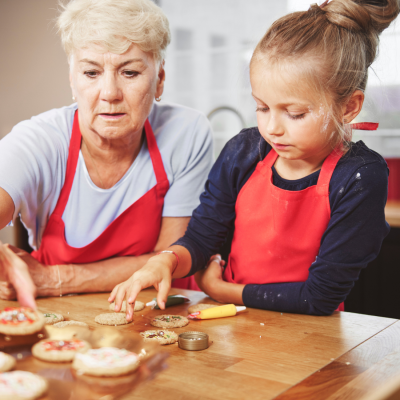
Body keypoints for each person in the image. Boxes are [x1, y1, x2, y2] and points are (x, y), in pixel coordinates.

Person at [110, 0, 399, 320]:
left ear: (348, 107)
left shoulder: (359, 178)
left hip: (307, 332)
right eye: (262, 107)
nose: (272, 128)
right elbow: (202, 238)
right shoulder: (244, 151)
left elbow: (318, 298)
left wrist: (222, 291)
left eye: (295, 113)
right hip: (228, 323)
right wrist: (166, 260)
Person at [0, 0, 213, 309]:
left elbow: (169, 256)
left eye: (129, 72)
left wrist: (54, 279)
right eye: (91, 72)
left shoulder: (186, 132)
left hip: (155, 309)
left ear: (160, 80)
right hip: (59, 314)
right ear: (72, 79)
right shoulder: (37, 141)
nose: (110, 93)